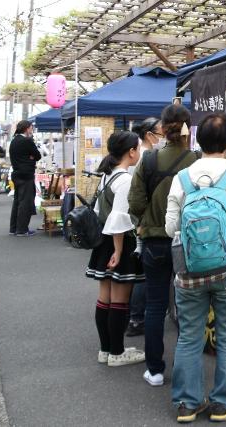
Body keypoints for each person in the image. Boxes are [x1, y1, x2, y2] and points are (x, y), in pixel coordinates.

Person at [166, 113, 226, 423]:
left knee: (189, 336)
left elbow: (170, 228)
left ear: (198, 141)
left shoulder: (182, 178)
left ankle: (187, 404)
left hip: (189, 270)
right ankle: (222, 403)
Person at [128, 105, 198, 387]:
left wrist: (146, 220)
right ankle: (186, 370)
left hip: (154, 240)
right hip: (189, 242)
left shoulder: (149, 160)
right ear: (188, 127)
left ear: (163, 129)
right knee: (187, 307)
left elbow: (135, 202)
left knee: (155, 306)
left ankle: (155, 370)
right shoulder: (196, 161)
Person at [85, 130, 145, 367]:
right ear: (130, 152)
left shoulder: (107, 176)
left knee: (105, 298)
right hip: (118, 243)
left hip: (103, 241)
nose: (139, 152)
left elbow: (101, 213)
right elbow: (119, 219)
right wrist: (119, 251)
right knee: (119, 300)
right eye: (138, 148)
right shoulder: (126, 180)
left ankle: (106, 350)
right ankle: (117, 353)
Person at [126, 117, 163, 338]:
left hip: (142, 222)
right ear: (149, 135)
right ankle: (136, 318)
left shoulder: (148, 156)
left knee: (144, 273)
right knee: (143, 275)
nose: (164, 136)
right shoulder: (145, 158)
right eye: (161, 132)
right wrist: (141, 221)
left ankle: (136, 316)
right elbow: (137, 197)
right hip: (143, 224)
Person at [9, 121, 43, 236]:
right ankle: (22, 229)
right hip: (26, 175)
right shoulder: (27, 141)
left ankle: (13, 228)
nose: (32, 130)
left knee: (17, 201)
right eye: (31, 128)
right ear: (27, 128)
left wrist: (30, 157)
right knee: (25, 202)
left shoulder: (14, 141)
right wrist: (31, 157)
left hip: (16, 174)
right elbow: (38, 155)